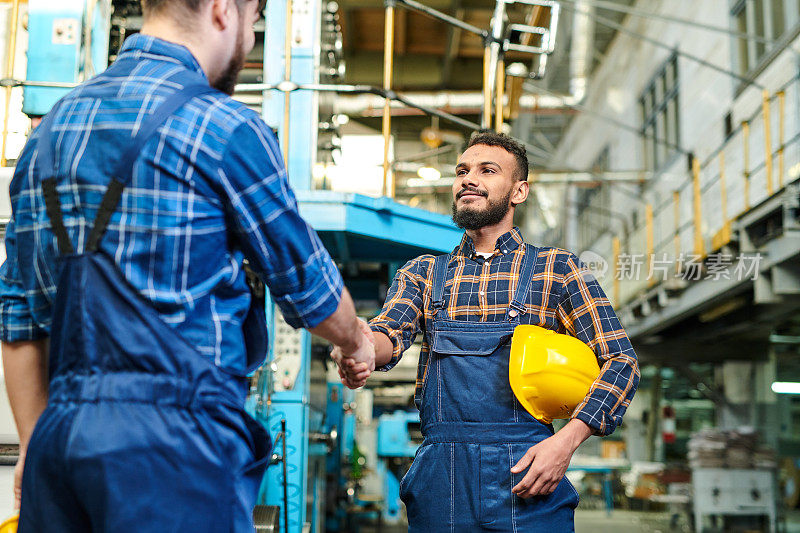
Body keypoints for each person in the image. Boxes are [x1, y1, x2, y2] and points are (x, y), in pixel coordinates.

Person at [0, 0, 374, 530]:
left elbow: (17, 316)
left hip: (60, 439)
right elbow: (311, 287)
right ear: (223, 10)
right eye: (251, 22)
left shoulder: (44, 137)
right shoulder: (225, 128)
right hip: (173, 443)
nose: (247, 41)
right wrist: (355, 341)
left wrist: (35, 446)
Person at [333, 131, 640, 532]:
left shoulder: (557, 269)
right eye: (462, 171)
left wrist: (565, 444)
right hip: (442, 480)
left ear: (519, 191)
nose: (468, 178)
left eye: (487, 170)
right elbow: (388, 335)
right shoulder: (424, 273)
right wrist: (358, 344)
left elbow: (622, 362)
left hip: (528, 474)